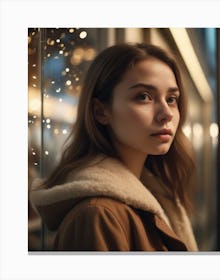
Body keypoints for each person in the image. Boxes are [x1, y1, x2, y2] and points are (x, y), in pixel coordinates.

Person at [30, 42, 199, 251]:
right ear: (101, 111)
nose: (167, 113)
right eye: (144, 96)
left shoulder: (158, 195)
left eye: (171, 99)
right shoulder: (98, 215)